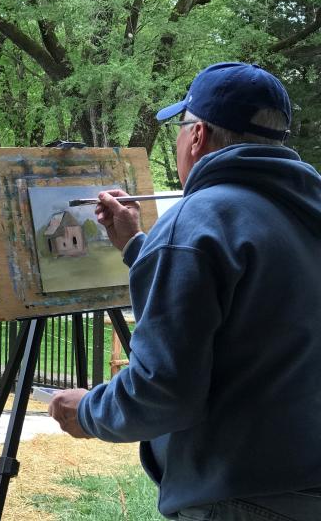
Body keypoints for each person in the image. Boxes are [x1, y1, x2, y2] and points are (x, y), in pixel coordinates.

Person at [48, 62, 321, 521]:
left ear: (198, 136)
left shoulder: (195, 222)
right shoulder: (303, 210)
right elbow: (254, 302)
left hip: (239, 494)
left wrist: (88, 411)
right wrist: (139, 246)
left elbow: (163, 392)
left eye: (182, 125)